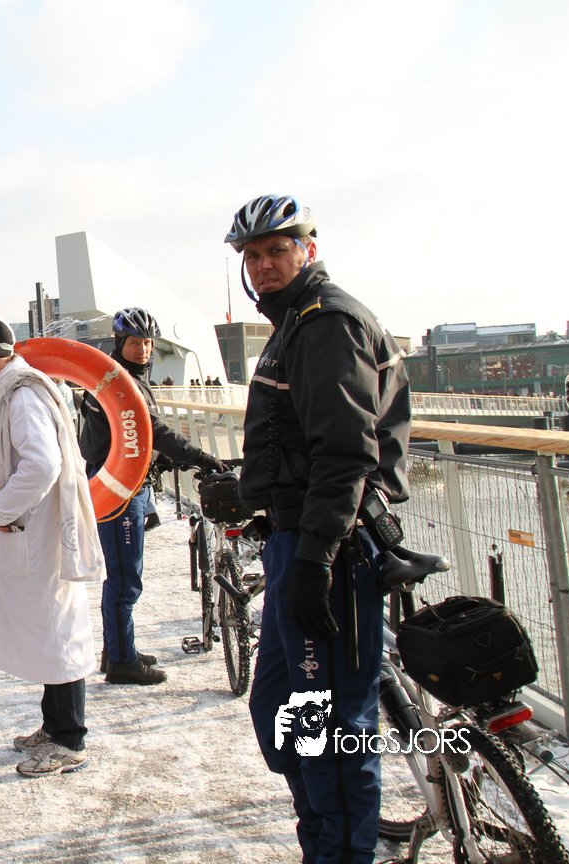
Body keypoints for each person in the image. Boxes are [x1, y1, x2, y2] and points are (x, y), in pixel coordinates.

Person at [226, 195, 411, 863]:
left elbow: (345, 453)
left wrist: (317, 557)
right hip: (294, 538)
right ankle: (323, 842)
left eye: (278, 250)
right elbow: (297, 442)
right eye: (252, 256)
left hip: (328, 546)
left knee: (327, 728)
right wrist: (248, 494)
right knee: (280, 710)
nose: (264, 265)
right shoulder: (294, 324)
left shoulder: (327, 322)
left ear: (308, 249)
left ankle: (342, 852)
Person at [0, 315, 104, 777]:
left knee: (58, 632)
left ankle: (70, 739)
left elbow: (41, 465)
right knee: (45, 630)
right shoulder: (7, 390)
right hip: (32, 531)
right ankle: (54, 725)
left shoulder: (21, 396)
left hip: (40, 533)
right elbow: (16, 459)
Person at [78, 307, 226, 686]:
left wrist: (162, 460)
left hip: (130, 486)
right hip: (119, 490)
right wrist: (202, 457)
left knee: (122, 575)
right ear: (119, 344)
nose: (142, 349)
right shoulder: (116, 383)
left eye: (147, 343)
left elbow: (139, 436)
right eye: (134, 342)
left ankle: (117, 649)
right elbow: (154, 430)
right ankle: (122, 662)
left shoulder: (128, 378)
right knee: (125, 578)